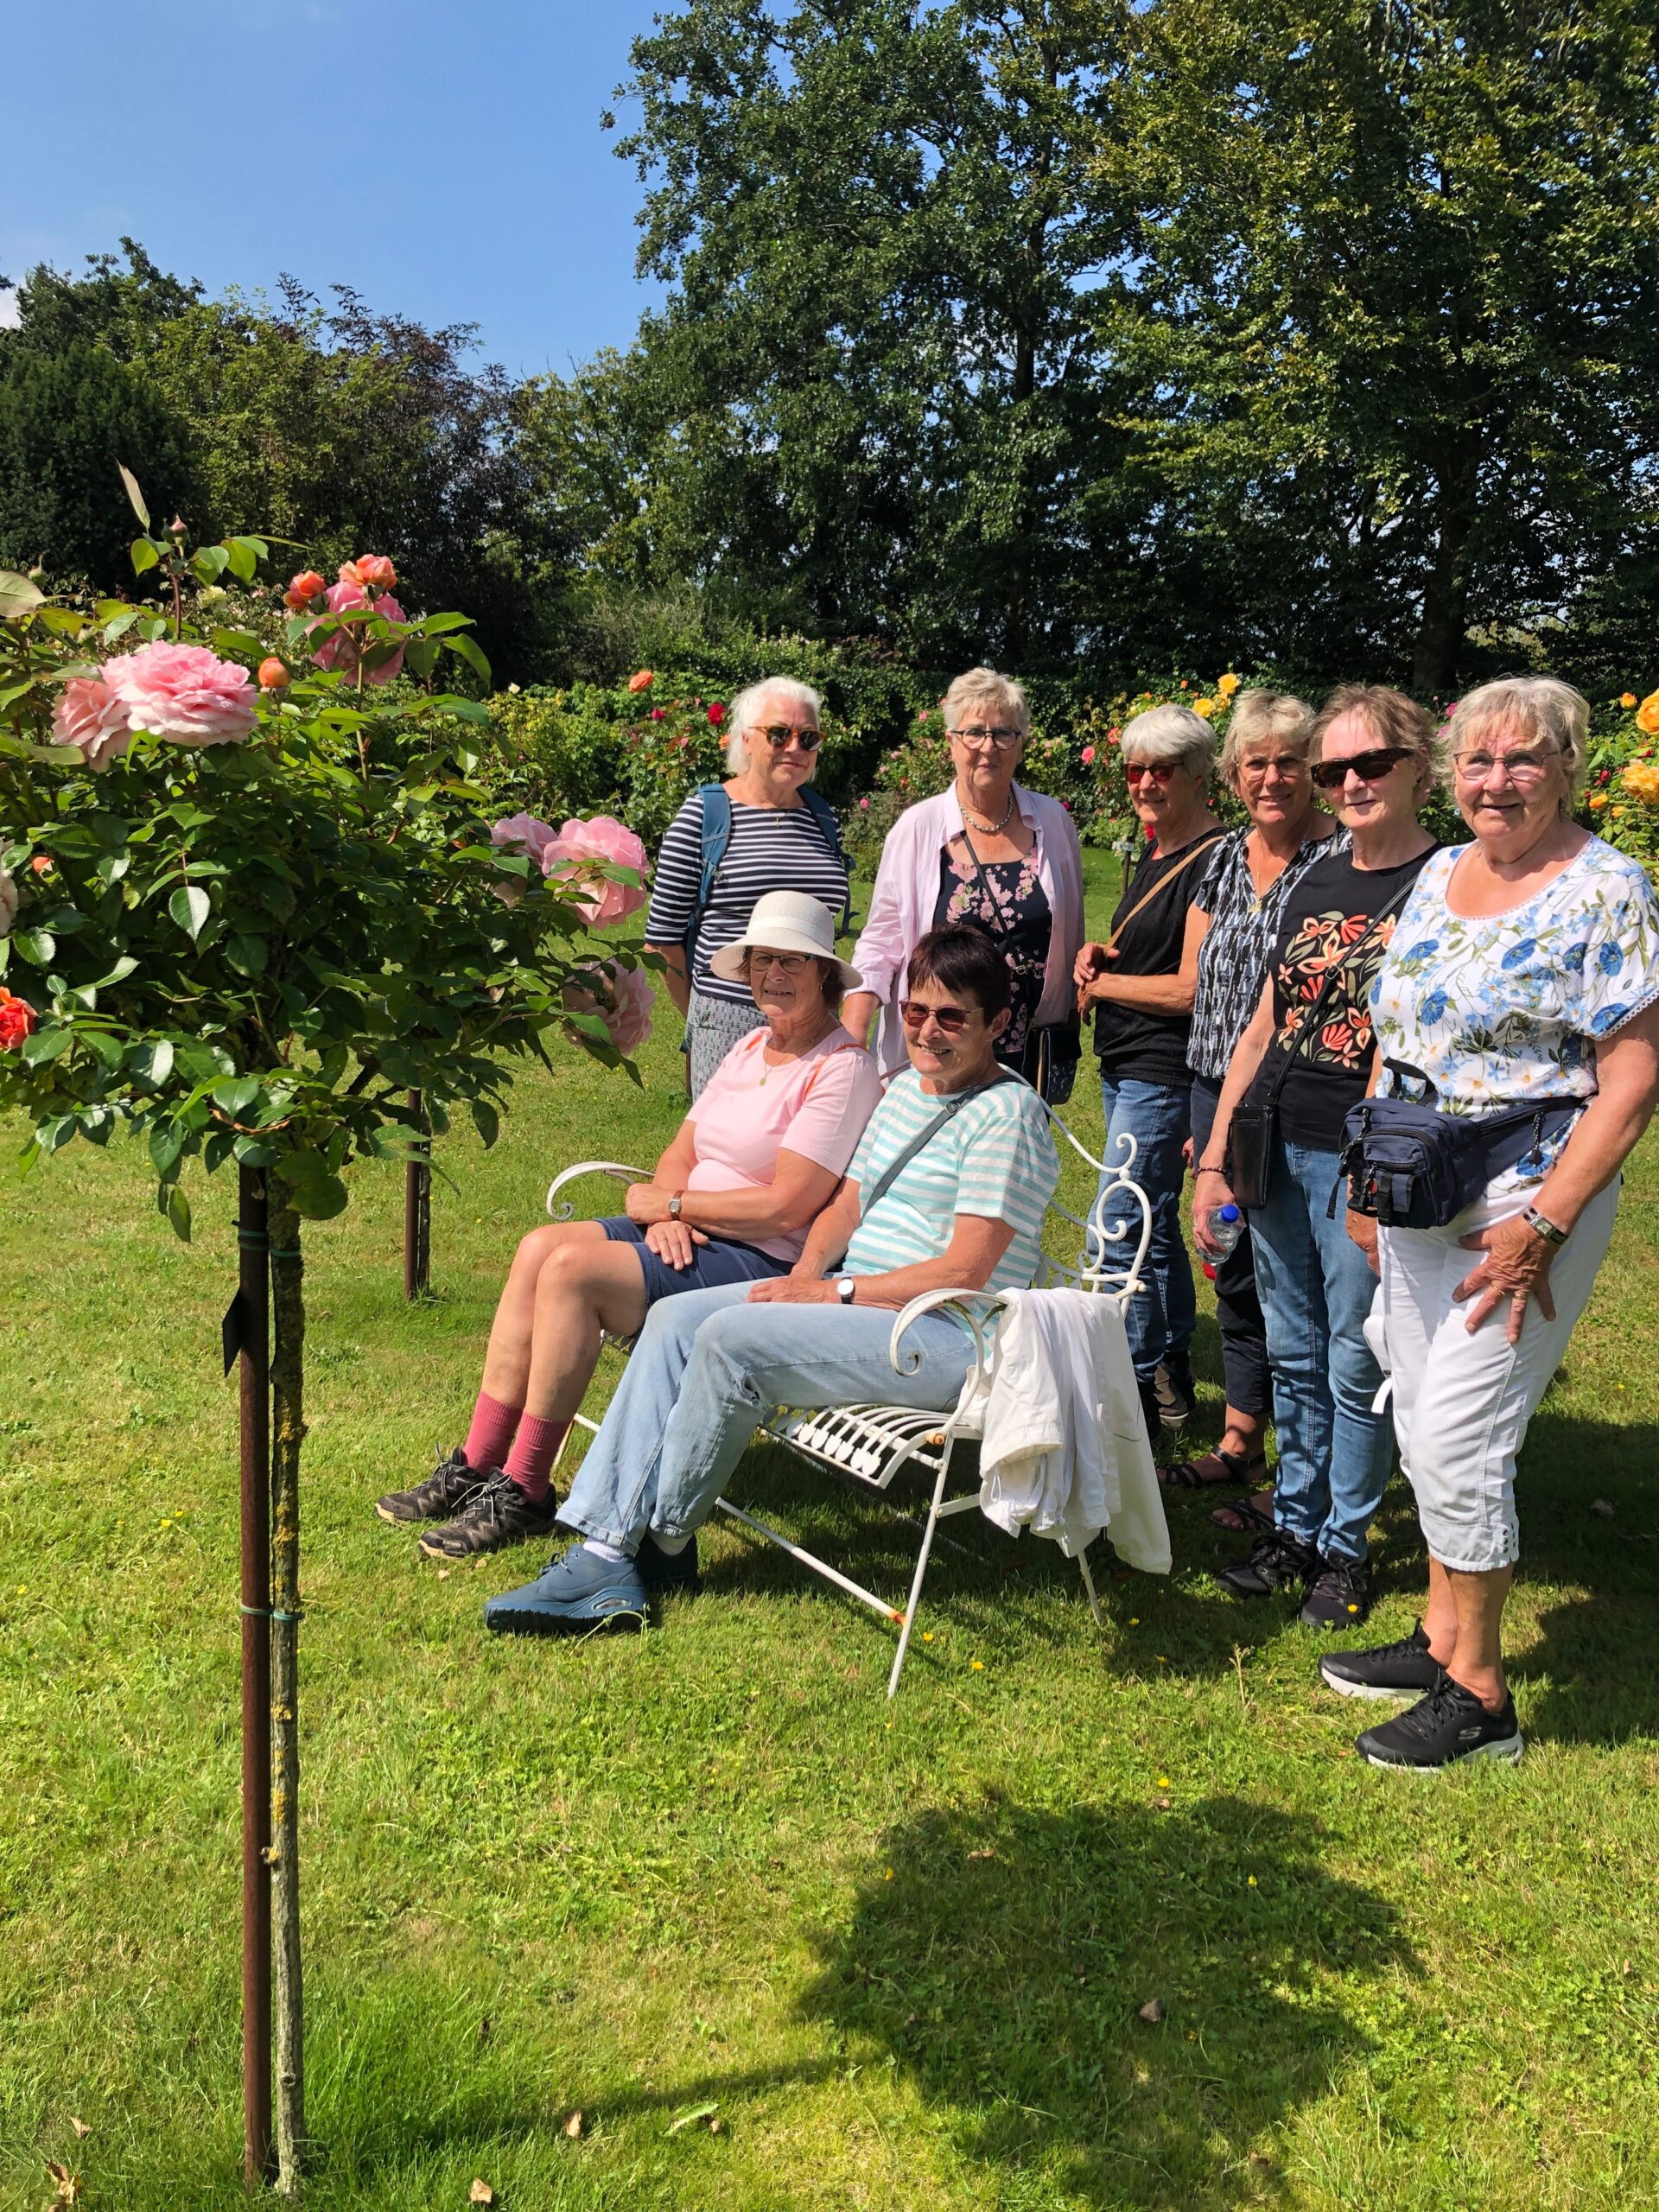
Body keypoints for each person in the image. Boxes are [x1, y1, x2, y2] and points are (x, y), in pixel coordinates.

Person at [480, 925, 1061, 1635]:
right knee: (676, 1318)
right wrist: (809, 1271)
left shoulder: (1009, 1114)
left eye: (952, 1017)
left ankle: (638, 1548)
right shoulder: (908, 1089)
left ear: (998, 1024)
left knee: (728, 1339)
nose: (928, 1032)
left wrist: (832, 1292)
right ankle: (631, 1548)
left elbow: (964, 1272)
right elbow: (848, 1201)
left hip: (945, 1333)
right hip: (862, 1306)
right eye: (915, 1012)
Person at [1318, 677, 1659, 1769]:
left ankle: (1482, 1700)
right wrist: (1370, 1179)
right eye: (1477, 760)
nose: (1496, 780)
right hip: (1416, 1176)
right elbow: (1393, 1029)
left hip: (1520, 1194)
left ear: (1569, 766)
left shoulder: (1605, 890)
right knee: (1416, 1407)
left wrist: (1547, 1226)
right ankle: (1439, 1632)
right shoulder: (1440, 875)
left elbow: (1632, 1080)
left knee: (1465, 1432)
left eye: (1523, 760)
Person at [375, 893, 881, 1560]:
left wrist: (669, 1210)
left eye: (790, 961)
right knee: (537, 1248)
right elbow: (679, 1154)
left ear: (823, 974)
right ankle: (476, 1462)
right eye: (761, 960)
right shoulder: (753, 1046)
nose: (772, 975)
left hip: (757, 1259)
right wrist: (666, 1204)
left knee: (571, 1273)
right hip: (692, 1229)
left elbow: (785, 1205)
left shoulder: (840, 1068)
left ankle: (525, 1491)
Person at [1193, 685, 1438, 1627]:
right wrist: (1216, 1150)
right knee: (1292, 1349)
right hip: (1272, 1136)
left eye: (1370, 764)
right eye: (1334, 769)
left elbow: (1403, 1041)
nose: (1348, 782)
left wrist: (1373, 1180)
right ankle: (1293, 1527)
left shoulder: (1440, 882)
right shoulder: (1320, 870)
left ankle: (1346, 1548)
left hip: (1354, 1151)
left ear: (1418, 765)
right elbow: (1266, 1017)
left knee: (1352, 1354)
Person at [1169, 690, 1335, 1519]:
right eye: (1256, 762)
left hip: (1301, 1099)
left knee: (1300, 1280)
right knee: (1229, 1262)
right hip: (1214, 1090)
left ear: (1315, 770)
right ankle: (1239, 1436)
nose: (1272, 777)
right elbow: (1195, 976)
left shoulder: (1342, 861)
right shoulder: (1226, 856)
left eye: (1289, 761)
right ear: (1234, 773)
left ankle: (1310, 1474)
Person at [1073, 704, 1224, 1436]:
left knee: (1118, 1224)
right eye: (1134, 770)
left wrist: (1101, 988)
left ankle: (1120, 1388)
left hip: (1162, 1069)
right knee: (1154, 1227)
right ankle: (1167, 1377)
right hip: (1126, 1058)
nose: (1144, 784)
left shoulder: (1212, 860)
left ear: (1200, 776)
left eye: (1161, 770)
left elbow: (1191, 987)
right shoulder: (1155, 851)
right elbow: (1150, 951)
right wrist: (1105, 952)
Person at [842, 667, 1084, 1095]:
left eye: (1003, 733)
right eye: (974, 732)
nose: (988, 747)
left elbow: (1072, 929)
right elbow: (880, 943)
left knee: (1012, 1157)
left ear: (1020, 745)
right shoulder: (918, 827)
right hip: (937, 1048)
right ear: (952, 742)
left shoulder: (1053, 821)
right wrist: (853, 1033)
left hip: (1024, 1051)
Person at [643, 677, 852, 1097]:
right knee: (731, 1153)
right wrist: (702, 1019)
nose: (795, 747)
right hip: (730, 1020)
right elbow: (662, 941)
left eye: (808, 738)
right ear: (746, 740)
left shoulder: (823, 818)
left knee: (812, 1152)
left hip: (816, 1020)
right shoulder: (705, 814)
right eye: (779, 734)